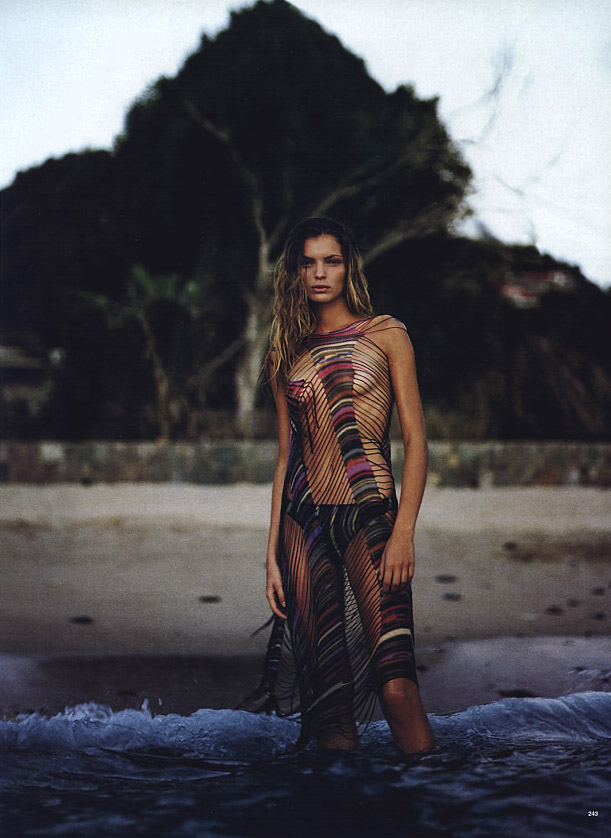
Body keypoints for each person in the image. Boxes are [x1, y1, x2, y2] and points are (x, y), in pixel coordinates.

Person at [242, 216, 436, 755]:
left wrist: (404, 532)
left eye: (331, 261)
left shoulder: (386, 334)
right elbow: (286, 457)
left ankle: (432, 797)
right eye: (308, 263)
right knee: (330, 710)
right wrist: (271, 556)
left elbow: (416, 442)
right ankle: (340, 801)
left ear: (348, 267)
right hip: (303, 524)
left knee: (397, 688)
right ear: (295, 272)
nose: (320, 273)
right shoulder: (287, 351)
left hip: (370, 515)